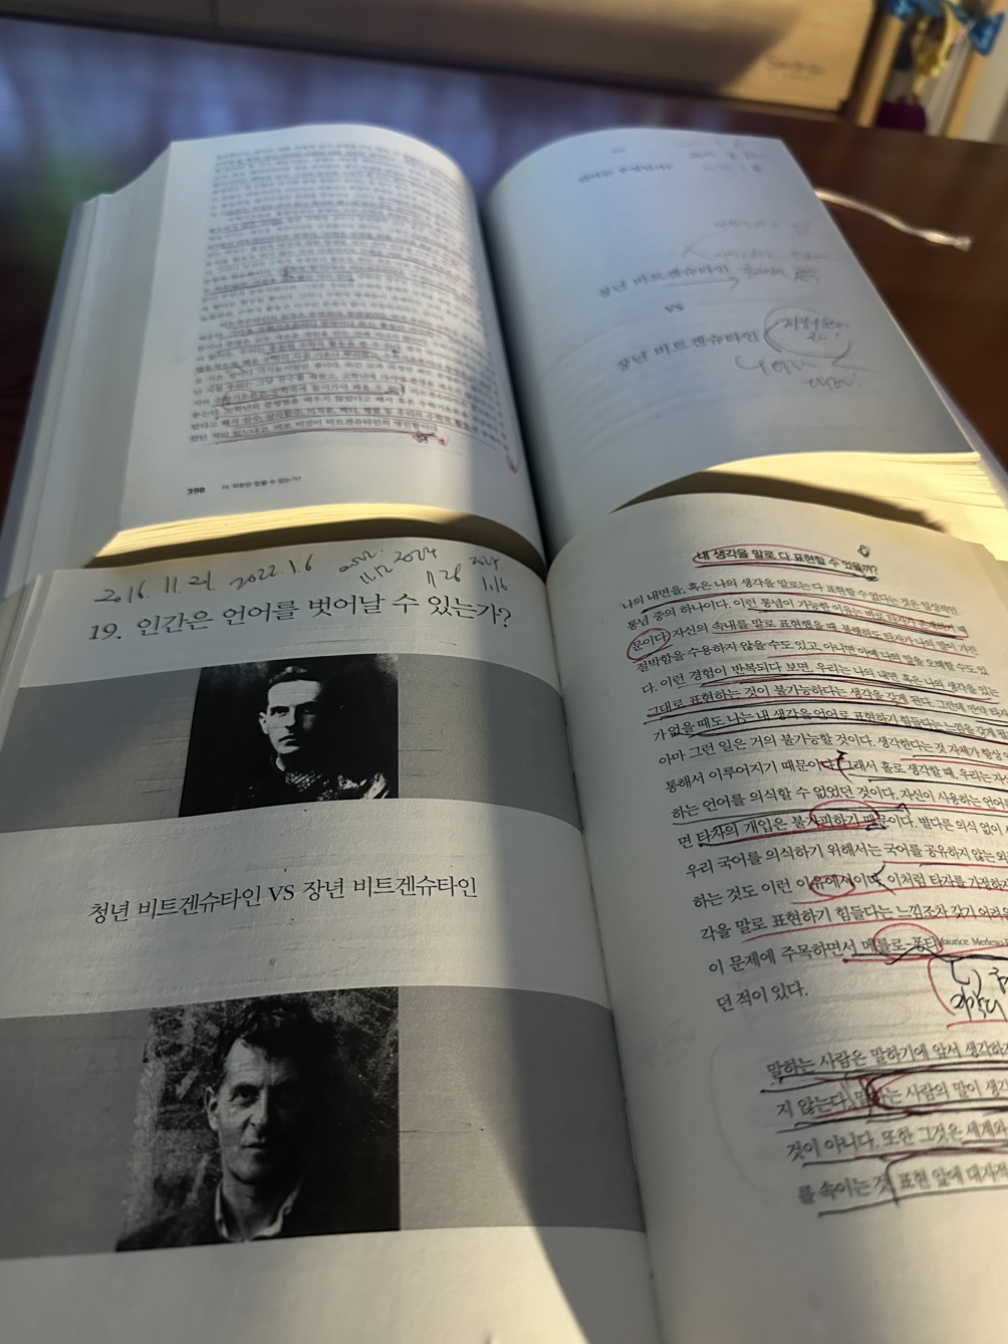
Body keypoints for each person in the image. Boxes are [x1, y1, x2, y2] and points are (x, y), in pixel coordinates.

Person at [118, 999, 345, 1250]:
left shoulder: (351, 1237)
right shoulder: (146, 1248)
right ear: (213, 1110)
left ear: (310, 1110)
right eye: (245, 1094)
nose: (263, 1119)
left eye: (285, 1097)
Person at [233, 664, 389, 809]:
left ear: (330, 719)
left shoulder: (367, 788)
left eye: (308, 710)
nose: (291, 722)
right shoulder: (246, 797)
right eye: (280, 711)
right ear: (264, 723)